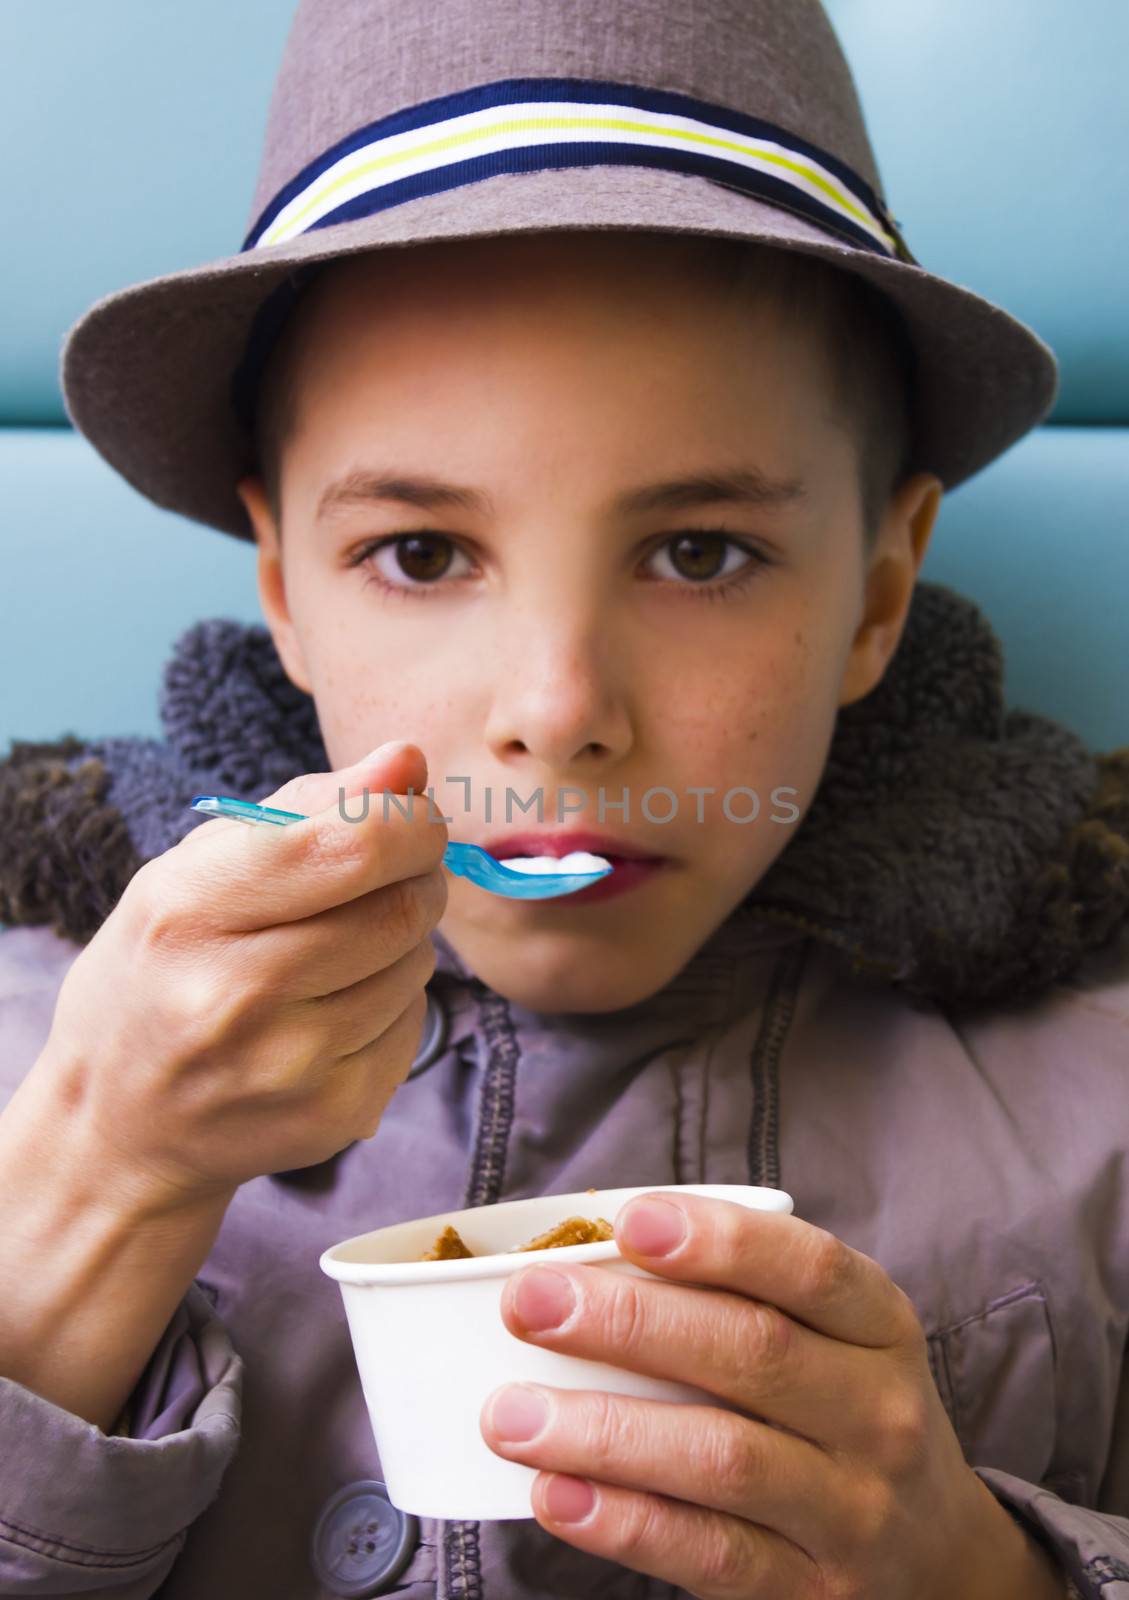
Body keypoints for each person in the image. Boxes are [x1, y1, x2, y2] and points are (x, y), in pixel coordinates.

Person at [0, 0, 1126, 1595]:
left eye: (697, 554)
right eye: (421, 554)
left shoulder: (1099, 1098)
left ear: (878, 593)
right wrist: (93, 1178)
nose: (556, 715)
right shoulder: (36, 1052)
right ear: (282, 587)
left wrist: (981, 1574)